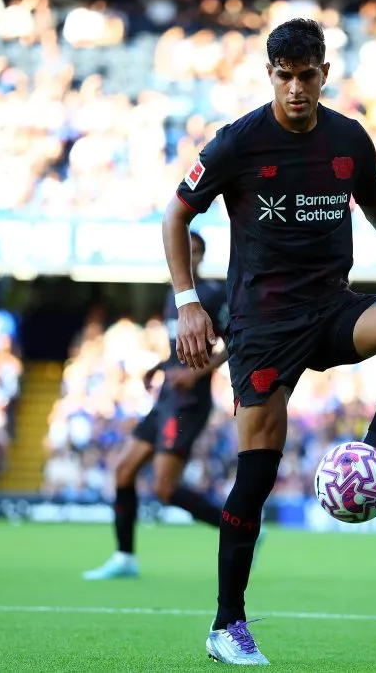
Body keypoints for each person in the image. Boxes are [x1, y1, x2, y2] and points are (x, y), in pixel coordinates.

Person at [161, 19, 376, 665]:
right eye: (285, 76)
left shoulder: (348, 138)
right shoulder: (238, 142)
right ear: (270, 75)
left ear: (324, 73)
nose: (297, 89)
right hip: (261, 327)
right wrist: (189, 302)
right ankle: (227, 624)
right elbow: (176, 214)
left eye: (307, 76)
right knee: (255, 473)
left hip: (332, 309)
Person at [83, 231, 251, 580]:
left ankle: (242, 528)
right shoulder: (172, 295)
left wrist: (197, 375)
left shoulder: (212, 293)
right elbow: (182, 345)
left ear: (202, 256)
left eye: (195, 251)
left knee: (164, 488)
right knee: (123, 470)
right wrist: (160, 366)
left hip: (189, 401)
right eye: (183, 249)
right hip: (166, 397)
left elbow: (233, 343)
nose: (188, 256)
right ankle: (125, 556)